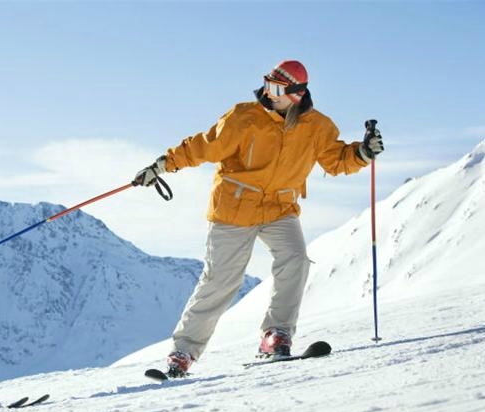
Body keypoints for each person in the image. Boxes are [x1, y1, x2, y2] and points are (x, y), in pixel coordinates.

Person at [133, 60, 384, 377]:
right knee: (221, 281)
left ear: (297, 94)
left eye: (277, 88)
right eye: (267, 84)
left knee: (296, 261)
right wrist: (162, 164)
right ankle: (183, 351)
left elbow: (337, 161)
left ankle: (275, 335)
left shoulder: (318, 127)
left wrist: (363, 152)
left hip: (280, 207)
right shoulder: (243, 117)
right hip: (235, 207)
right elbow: (204, 147)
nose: (269, 92)